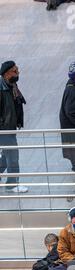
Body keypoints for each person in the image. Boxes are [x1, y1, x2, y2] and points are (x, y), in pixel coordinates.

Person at [0, 61, 28, 193]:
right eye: (15, 71)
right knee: (13, 156)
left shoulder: (11, 85)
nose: (18, 73)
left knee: (6, 157)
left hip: (9, 128)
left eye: (17, 70)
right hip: (3, 130)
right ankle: (12, 185)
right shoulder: (1, 88)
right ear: (6, 74)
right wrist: (4, 125)